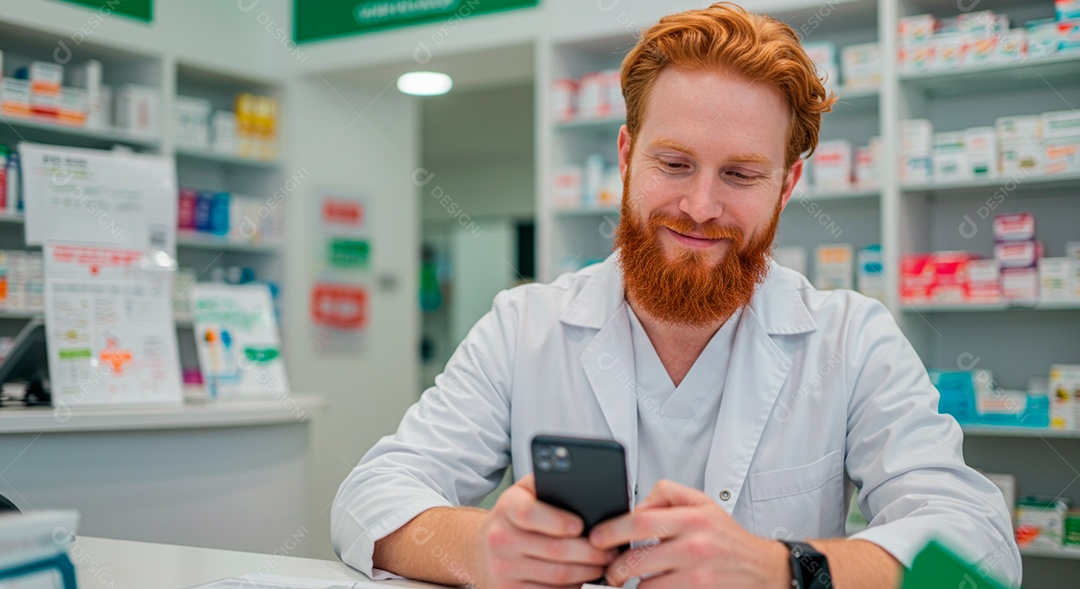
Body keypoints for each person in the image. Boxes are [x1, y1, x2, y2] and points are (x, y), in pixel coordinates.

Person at [332, 3, 1021, 588]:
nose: (699, 206)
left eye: (741, 174)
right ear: (628, 157)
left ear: (786, 185)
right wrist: (480, 548)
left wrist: (779, 567)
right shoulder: (524, 326)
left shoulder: (851, 339)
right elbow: (367, 499)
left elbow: (979, 551)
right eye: (674, 163)